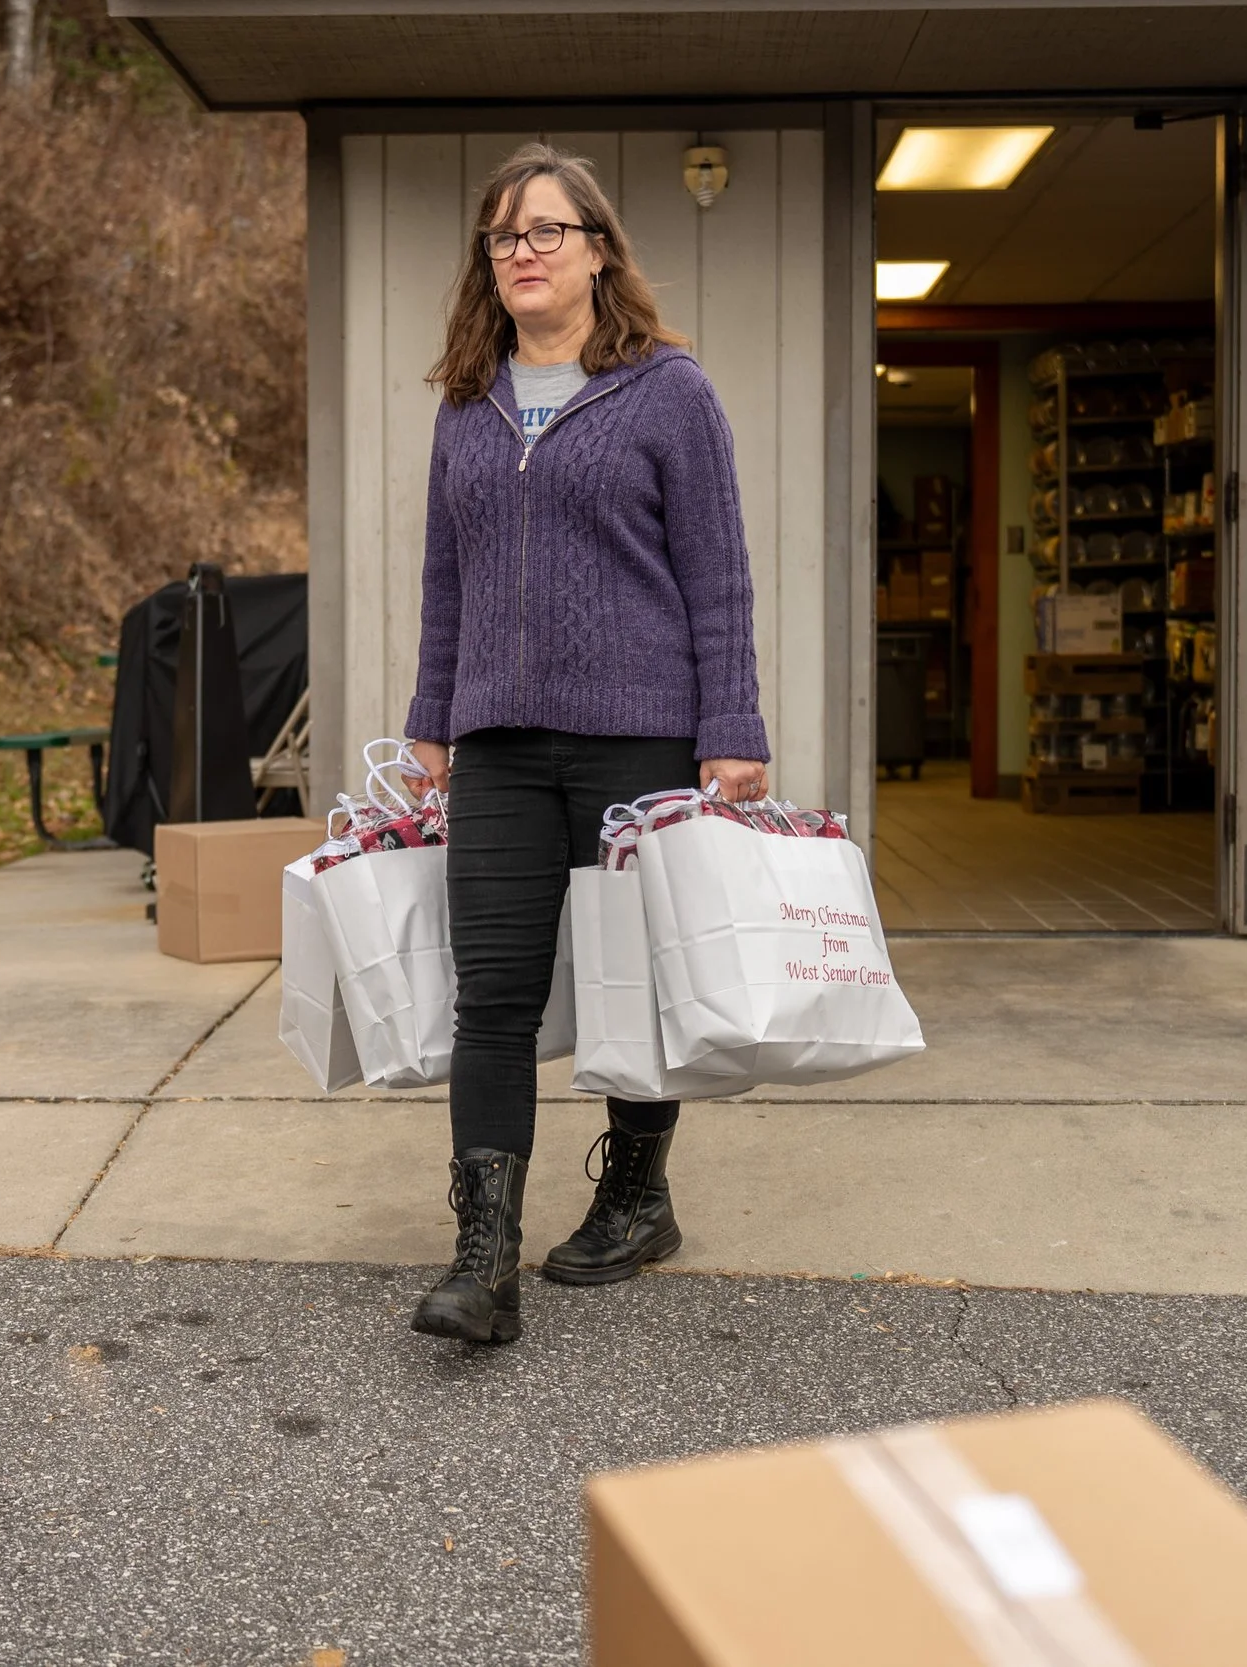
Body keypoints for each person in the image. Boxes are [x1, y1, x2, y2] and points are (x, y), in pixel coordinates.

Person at [405, 143, 768, 1346]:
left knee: (635, 992)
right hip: (500, 742)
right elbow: (443, 586)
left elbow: (718, 580)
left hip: (638, 740)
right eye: (503, 237)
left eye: (545, 232)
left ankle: (633, 1195)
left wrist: (732, 732)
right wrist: (430, 722)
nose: (521, 253)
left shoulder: (669, 390)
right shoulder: (468, 402)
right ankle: (483, 1256)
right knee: (493, 998)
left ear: (599, 249)